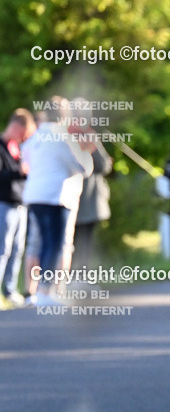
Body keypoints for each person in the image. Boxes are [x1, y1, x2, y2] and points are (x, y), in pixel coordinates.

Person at [21, 97, 94, 305]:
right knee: (56, 244)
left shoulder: (36, 136)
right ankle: (46, 291)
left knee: (40, 243)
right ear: (64, 115)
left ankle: (33, 292)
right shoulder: (62, 136)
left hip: (34, 196)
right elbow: (83, 167)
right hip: (56, 197)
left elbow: (26, 160)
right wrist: (87, 153)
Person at [0, 108, 36, 307]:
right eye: (24, 134)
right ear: (16, 127)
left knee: (17, 250)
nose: (24, 139)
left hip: (20, 205)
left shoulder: (17, 148)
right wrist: (19, 172)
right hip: (4, 203)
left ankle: (10, 291)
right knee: (2, 250)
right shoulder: (1, 146)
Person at [73, 140, 112, 270]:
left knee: (73, 241)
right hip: (85, 201)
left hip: (76, 200)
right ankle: (80, 276)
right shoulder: (88, 138)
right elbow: (104, 165)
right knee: (84, 242)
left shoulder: (62, 135)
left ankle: (75, 276)